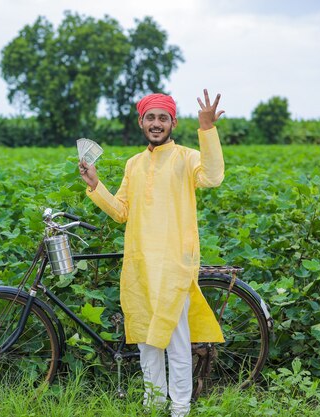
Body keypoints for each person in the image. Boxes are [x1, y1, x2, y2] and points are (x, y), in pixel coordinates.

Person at [79, 89, 226, 417]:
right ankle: (154, 403)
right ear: (141, 122)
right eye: (150, 117)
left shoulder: (186, 158)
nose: (156, 123)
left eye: (163, 118)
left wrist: (207, 129)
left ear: (173, 122)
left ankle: (180, 409)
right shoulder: (134, 164)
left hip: (174, 265)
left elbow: (214, 177)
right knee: (147, 341)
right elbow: (121, 211)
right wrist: (95, 185)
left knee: (175, 343)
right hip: (141, 266)